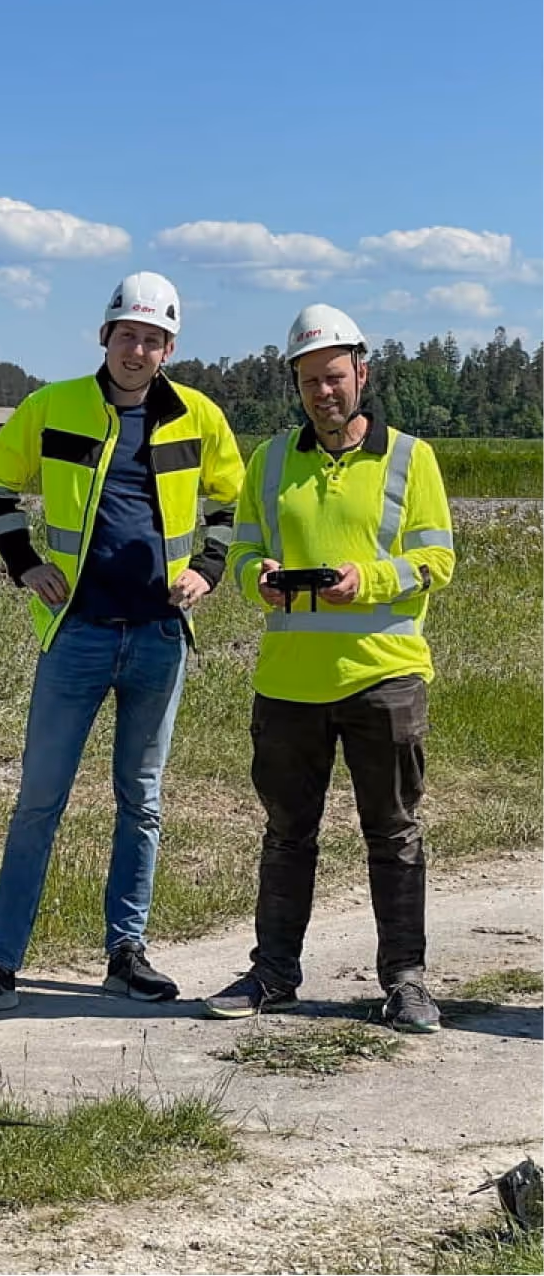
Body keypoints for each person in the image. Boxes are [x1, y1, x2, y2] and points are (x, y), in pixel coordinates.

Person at [0, 272, 244, 1021]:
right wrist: (26, 565)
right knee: (38, 802)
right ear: (103, 337)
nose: (136, 349)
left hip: (157, 637)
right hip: (76, 634)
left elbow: (230, 503)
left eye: (151, 339)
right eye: (125, 334)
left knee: (139, 802)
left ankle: (126, 953)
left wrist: (208, 570)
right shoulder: (52, 407)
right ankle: (0, 964)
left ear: (168, 347)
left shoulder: (198, 416)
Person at [203, 303, 456, 1032]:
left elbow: (436, 559)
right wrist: (261, 579)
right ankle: (272, 973)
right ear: (295, 382)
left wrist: (365, 580)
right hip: (288, 684)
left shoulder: (411, 458)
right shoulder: (269, 460)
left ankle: (404, 980)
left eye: (335, 377)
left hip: (384, 677)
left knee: (393, 832)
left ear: (361, 374)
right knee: (286, 834)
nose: (324, 392)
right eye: (310, 380)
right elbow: (245, 554)